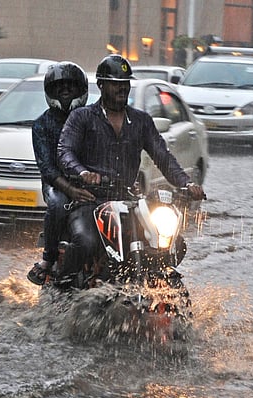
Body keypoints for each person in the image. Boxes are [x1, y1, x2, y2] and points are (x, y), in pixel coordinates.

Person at [54, 54, 205, 288]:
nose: (121, 89)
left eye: (125, 84)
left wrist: (186, 184)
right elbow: (65, 152)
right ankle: (61, 288)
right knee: (86, 242)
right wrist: (82, 172)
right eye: (115, 84)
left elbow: (163, 157)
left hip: (128, 201)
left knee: (172, 243)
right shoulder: (82, 117)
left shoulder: (141, 121)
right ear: (101, 85)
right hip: (90, 200)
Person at [26, 61, 94, 285]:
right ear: (50, 92)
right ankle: (48, 260)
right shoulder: (42, 125)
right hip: (57, 183)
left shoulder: (92, 118)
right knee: (57, 205)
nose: (65, 91)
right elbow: (46, 167)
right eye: (59, 87)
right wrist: (69, 189)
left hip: (91, 181)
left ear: (81, 90)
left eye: (70, 86)